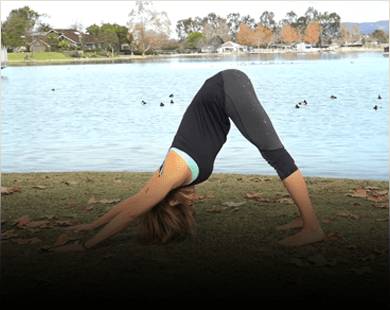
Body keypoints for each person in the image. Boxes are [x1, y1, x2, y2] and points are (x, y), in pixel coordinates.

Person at [59, 69, 324, 252]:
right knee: (274, 155)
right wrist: (91, 224)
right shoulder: (167, 178)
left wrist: (85, 245)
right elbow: (134, 200)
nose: (194, 200)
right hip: (225, 93)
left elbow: (132, 211)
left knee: (276, 155)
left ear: (172, 198)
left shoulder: (171, 176)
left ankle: (312, 227)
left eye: (185, 204)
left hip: (225, 88)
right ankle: (305, 219)